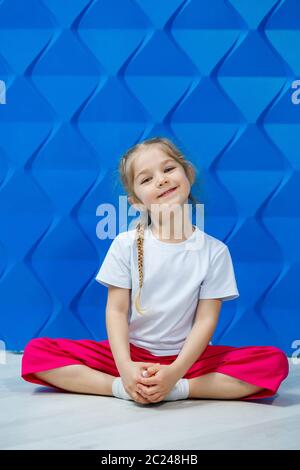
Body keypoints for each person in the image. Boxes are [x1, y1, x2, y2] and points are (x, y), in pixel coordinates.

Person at [21, 137, 289, 405]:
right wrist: (125, 369)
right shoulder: (125, 244)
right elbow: (115, 311)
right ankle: (122, 388)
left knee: (273, 363)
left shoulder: (214, 251)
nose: (161, 180)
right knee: (37, 353)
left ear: (189, 174)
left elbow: (206, 320)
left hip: (188, 359)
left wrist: (174, 374)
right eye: (146, 179)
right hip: (131, 355)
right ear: (136, 202)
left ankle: (178, 389)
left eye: (169, 169)